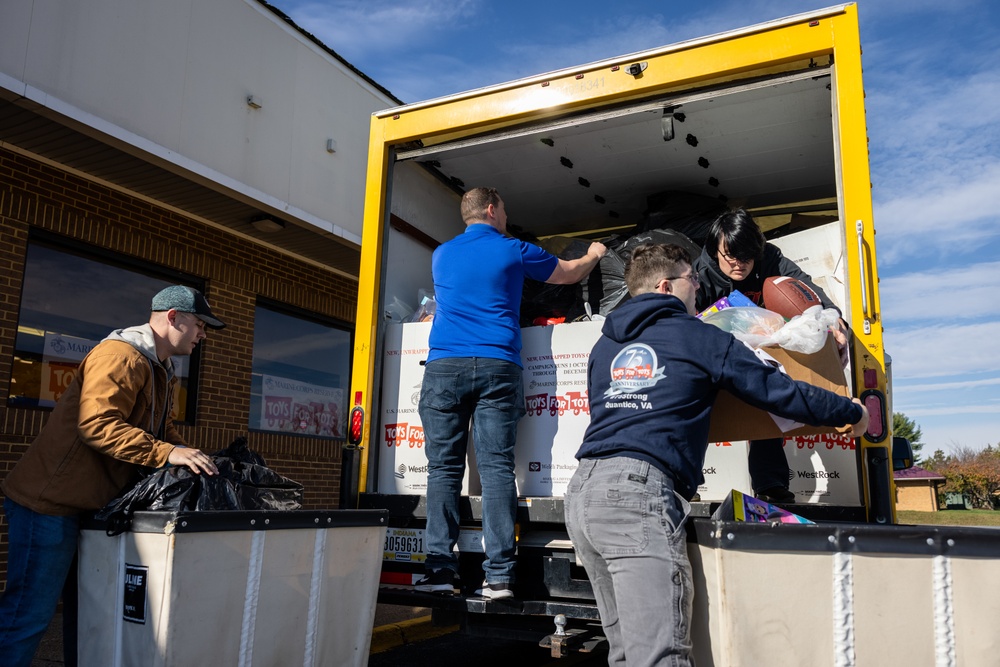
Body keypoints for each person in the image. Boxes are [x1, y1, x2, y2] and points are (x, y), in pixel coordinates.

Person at [564, 243, 868, 666]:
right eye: (692, 278)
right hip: (637, 495)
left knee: (627, 655)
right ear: (666, 286)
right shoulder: (698, 336)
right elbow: (775, 390)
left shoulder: (605, 345)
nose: (698, 286)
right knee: (660, 657)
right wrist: (849, 411)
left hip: (583, 496)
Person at [0, 285, 224, 667]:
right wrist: (168, 453)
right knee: (28, 617)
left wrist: (196, 459)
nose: (203, 335)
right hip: (49, 505)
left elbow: (162, 431)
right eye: (200, 325)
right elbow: (98, 425)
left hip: (89, 508)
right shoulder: (121, 356)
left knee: (87, 617)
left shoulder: (161, 369)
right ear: (173, 317)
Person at [414, 187, 606, 600]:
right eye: (504, 210)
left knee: (443, 470)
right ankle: (499, 577)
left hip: (445, 366)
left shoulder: (441, 254)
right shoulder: (513, 249)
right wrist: (594, 253)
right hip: (497, 363)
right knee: (497, 469)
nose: (506, 217)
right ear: (491, 209)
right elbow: (569, 273)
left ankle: (440, 571)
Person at [692, 208, 850, 503]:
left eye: (747, 257)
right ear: (715, 250)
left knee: (770, 396)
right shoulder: (699, 274)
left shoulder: (771, 258)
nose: (739, 264)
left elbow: (810, 292)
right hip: (714, 351)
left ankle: (771, 485)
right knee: (694, 404)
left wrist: (835, 320)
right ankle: (687, 482)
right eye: (731, 256)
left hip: (759, 349)